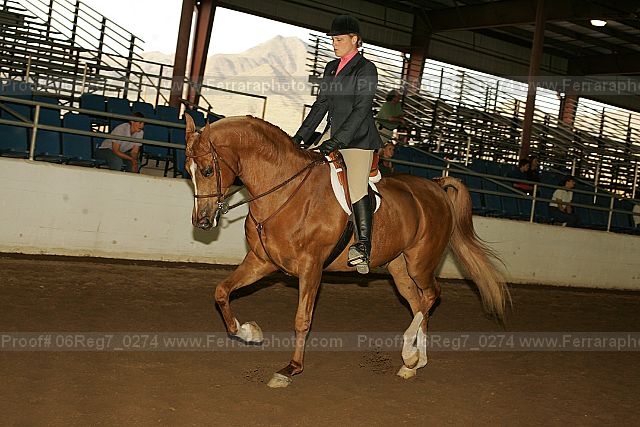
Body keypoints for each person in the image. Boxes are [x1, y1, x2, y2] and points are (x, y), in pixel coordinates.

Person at [292, 14, 382, 274]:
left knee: (356, 186)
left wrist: (338, 140)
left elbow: (362, 109)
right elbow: (321, 104)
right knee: (302, 168)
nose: (334, 44)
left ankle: (363, 246)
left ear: (355, 40)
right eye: (333, 40)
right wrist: (300, 136)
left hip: (358, 139)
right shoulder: (331, 67)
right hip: (332, 135)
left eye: (339, 39)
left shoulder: (366, 69)